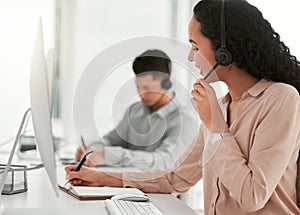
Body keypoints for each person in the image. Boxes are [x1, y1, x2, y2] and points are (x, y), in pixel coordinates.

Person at [66, 0, 300, 214]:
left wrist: (217, 126)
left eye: (195, 47)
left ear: (224, 53)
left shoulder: (280, 99)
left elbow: (252, 196)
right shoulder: (219, 106)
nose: (190, 57)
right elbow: (176, 177)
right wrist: (103, 178)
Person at [75, 49, 199, 171]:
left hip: (161, 191)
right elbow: (110, 140)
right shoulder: (134, 110)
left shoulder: (185, 120)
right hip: (126, 187)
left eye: (146, 88)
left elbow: (165, 163)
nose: (141, 94)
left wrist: (111, 156)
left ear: (166, 83)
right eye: (138, 86)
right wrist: (91, 150)